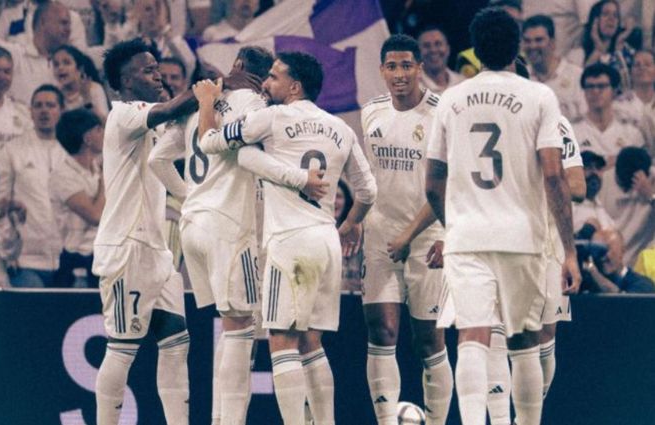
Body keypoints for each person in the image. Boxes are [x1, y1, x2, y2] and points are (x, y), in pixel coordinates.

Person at [194, 51, 377, 425]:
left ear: (295, 87)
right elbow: (368, 190)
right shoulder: (340, 128)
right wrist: (350, 224)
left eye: (275, 77)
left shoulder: (271, 118)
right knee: (312, 344)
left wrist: (206, 103)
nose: (266, 82)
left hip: (289, 243)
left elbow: (211, 142)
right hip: (326, 240)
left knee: (282, 342)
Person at [424, 8, 580, 425]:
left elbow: (432, 182)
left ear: (475, 49)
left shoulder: (451, 99)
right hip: (522, 237)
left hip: (467, 237)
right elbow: (554, 176)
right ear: (517, 47)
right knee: (524, 339)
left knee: (472, 336)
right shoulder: (539, 96)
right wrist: (568, 251)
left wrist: (454, 223)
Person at [148, 45, 277, 425]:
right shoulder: (255, 105)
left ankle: (221, 417)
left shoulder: (197, 104)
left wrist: (191, 196)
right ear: (263, 77)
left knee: (230, 325)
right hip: (230, 226)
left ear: (236, 65)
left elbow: (157, 159)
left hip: (194, 224)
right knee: (242, 327)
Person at [92, 38, 198, 425]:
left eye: (158, 68)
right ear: (125, 80)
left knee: (176, 342)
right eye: (148, 70)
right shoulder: (124, 114)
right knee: (122, 348)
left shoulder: (155, 120)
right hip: (126, 247)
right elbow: (173, 107)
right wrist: (214, 86)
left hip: (157, 250)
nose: (158, 75)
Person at [360, 34, 451, 425]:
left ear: (420, 68)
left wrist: (436, 236)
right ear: (382, 70)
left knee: (428, 339)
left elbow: (446, 186)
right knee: (381, 331)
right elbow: (368, 178)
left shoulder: (441, 114)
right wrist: (356, 221)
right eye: (392, 67)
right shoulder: (371, 112)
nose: (399, 74)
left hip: (427, 236)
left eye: (407, 66)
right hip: (381, 235)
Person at [0, 84, 67, 287]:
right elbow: (0, 206)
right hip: (25, 260)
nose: (44, 111)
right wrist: (6, 254)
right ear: (30, 111)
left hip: (70, 259)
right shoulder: (11, 151)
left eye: (50, 105)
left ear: (61, 110)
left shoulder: (73, 150)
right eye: (38, 105)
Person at [52, 108, 105, 287]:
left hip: (102, 261)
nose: (104, 134)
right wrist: (106, 180)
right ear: (87, 138)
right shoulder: (63, 175)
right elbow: (95, 216)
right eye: (99, 130)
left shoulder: (97, 170)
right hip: (75, 265)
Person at [0, 1, 73, 104]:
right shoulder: (16, 55)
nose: (68, 30)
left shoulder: (71, 67)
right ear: (43, 22)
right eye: (63, 23)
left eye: (69, 24)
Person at [573, 62, 644, 166]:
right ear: (584, 91)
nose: (595, 91)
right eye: (590, 87)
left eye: (601, 86)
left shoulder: (631, 132)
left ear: (614, 91)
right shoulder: (572, 132)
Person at [522, 14, 587, 122]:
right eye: (527, 41)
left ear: (552, 43)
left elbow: (586, 120)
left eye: (539, 40)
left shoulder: (577, 76)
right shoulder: (520, 77)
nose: (532, 46)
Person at [597, 146, 655, 266]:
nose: (625, 189)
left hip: (639, 263)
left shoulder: (651, 181)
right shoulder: (603, 181)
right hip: (606, 257)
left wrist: (650, 195)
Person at [567, 0, 636, 92]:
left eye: (615, 15)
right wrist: (598, 51)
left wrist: (619, 47)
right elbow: (577, 87)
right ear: (595, 20)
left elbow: (629, 87)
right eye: (605, 14)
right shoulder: (577, 54)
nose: (611, 19)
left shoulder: (628, 52)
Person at [584, 228, 655, 293]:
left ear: (622, 251)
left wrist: (594, 272)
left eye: (606, 249)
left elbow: (623, 301)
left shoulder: (643, 285)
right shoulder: (588, 285)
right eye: (596, 250)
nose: (602, 257)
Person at [51, 44, 109, 122]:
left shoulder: (94, 88)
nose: (60, 68)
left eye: (67, 63)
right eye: (56, 65)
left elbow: (105, 123)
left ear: (80, 69)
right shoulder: (55, 93)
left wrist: (87, 99)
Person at [615, 49, 655, 156]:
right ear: (631, 72)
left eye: (647, 64)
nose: (642, 68)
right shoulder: (618, 106)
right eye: (637, 65)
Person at [417, 26, 465, 95]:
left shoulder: (462, 82)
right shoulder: (412, 88)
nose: (433, 50)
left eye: (438, 44)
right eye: (427, 46)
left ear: (448, 49)